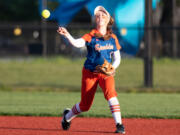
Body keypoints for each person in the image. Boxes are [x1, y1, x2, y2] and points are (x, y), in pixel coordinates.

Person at [57, 6, 125, 134]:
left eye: (102, 15)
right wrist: (68, 35)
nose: (99, 17)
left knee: (111, 95)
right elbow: (78, 43)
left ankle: (119, 125)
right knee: (85, 105)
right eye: (97, 16)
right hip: (89, 73)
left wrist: (112, 68)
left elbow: (117, 58)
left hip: (105, 72)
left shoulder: (112, 37)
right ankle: (66, 117)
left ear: (107, 20)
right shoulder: (91, 35)